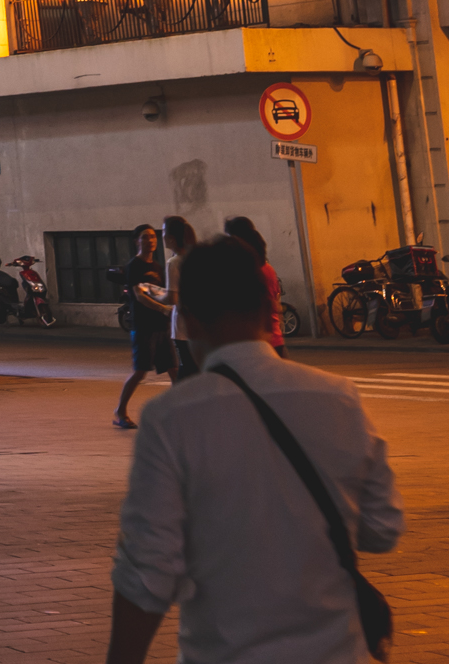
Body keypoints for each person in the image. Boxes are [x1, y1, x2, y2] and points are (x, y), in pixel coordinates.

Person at [107, 233, 401, 664]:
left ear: (188, 321)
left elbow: (146, 574)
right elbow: (383, 528)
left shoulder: (171, 419)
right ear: (269, 309)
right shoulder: (339, 399)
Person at [115, 225, 173, 431]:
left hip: (162, 326)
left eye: (153, 236)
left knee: (174, 369)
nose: (151, 240)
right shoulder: (134, 266)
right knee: (140, 371)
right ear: (137, 241)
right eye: (145, 237)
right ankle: (120, 411)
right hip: (143, 326)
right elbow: (139, 296)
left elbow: (161, 292)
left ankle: (182, 412)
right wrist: (163, 309)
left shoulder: (158, 267)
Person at [224, 218, 288, 353]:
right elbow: (276, 304)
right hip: (273, 339)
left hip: (256, 344)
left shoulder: (247, 272)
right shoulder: (267, 268)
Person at [163, 216, 198, 382]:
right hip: (199, 325)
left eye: (163, 232)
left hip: (183, 326)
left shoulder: (174, 262)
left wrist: (153, 294)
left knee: (186, 371)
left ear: (171, 238)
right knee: (194, 369)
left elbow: (172, 298)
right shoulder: (197, 259)